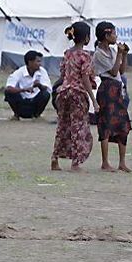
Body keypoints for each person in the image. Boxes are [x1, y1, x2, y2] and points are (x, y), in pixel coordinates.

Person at [52, 22, 97, 172]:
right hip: (77, 94)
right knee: (78, 127)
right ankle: (76, 163)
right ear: (86, 38)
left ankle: (55, 159)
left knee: (62, 126)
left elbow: (63, 74)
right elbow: (84, 78)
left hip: (64, 93)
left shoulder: (67, 54)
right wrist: (93, 100)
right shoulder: (85, 56)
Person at [92, 21, 132, 173]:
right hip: (107, 89)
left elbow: (121, 71)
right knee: (106, 124)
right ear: (106, 35)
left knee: (122, 125)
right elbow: (114, 72)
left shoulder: (113, 52)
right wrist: (120, 54)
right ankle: (105, 162)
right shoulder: (99, 54)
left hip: (116, 89)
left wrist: (124, 54)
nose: (116, 37)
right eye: (114, 34)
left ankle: (122, 162)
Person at [3, 51, 52, 119]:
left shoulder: (42, 71)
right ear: (30, 62)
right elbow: (8, 88)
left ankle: (37, 115)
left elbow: (47, 89)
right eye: (37, 61)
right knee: (8, 93)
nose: (40, 64)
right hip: (22, 102)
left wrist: (39, 85)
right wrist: (23, 90)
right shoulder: (19, 72)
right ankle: (16, 115)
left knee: (45, 94)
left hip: (35, 102)